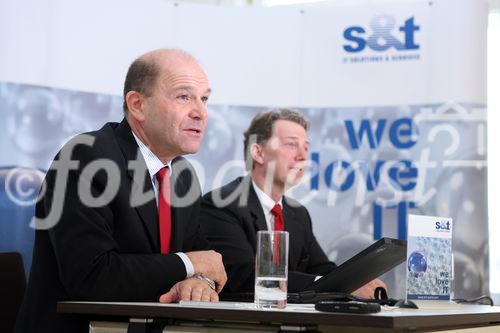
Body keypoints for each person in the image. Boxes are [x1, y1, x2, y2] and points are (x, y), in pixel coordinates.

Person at [14, 49, 227, 333]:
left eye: (205, 99)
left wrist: (199, 281)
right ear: (137, 104)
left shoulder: (183, 175)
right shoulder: (86, 157)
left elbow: (204, 262)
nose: (200, 112)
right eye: (184, 97)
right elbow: (93, 276)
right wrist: (189, 264)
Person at [199, 108, 385, 297]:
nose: (303, 156)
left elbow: (321, 268)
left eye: (306, 147)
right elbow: (244, 277)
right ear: (258, 152)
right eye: (291, 145)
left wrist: (354, 281)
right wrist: (336, 286)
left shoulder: (298, 213)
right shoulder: (220, 205)